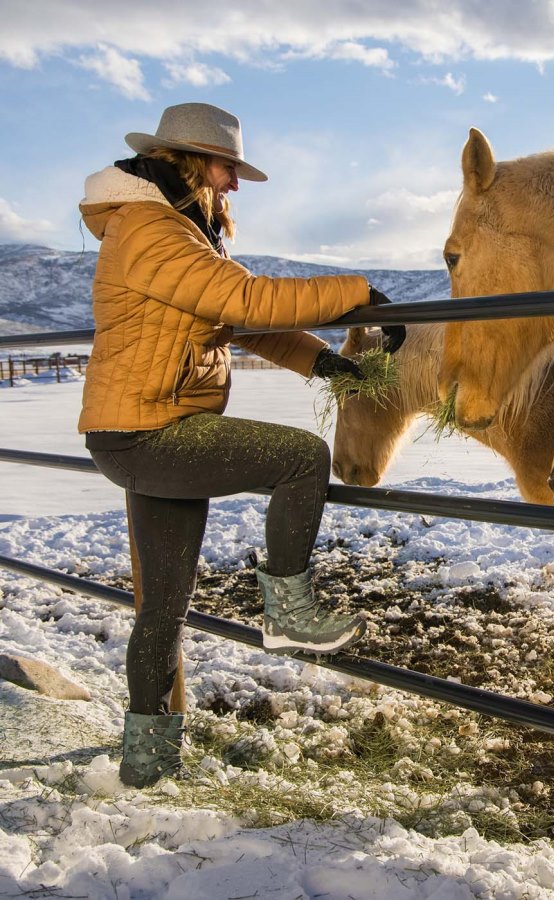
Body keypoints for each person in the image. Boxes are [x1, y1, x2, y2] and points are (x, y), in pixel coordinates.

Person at [78, 102, 406, 787]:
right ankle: (288, 611)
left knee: (162, 607)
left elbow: (238, 322)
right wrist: (358, 296)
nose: (233, 184)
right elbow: (249, 300)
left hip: (143, 427)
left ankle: (146, 764)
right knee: (300, 457)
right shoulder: (148, 229)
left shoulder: (181, 231)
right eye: (229, 167)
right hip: (152, 430)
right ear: (192, 160)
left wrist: (323, 362)